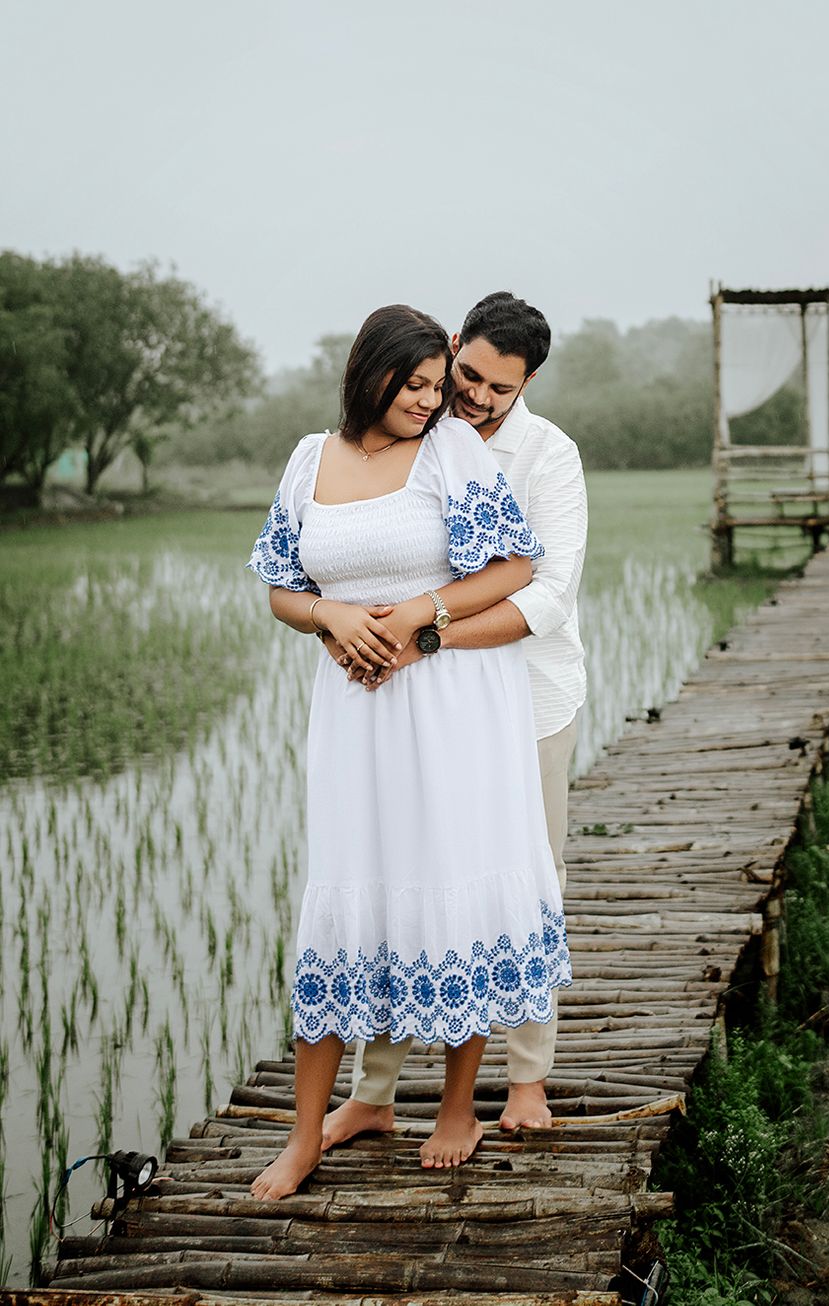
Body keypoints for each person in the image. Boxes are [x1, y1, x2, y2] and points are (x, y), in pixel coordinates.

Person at [246, 303, 570, 1201]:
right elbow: (281, 586)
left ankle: (458, 1108)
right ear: (370, 372)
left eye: (438, 386)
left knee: (458, 878)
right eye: (418, 385)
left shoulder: (451, 452)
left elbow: (516, 568)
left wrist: (423, 615)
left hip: (450, 700)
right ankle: (308, 1134)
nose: (433, 401)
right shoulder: (309, 460)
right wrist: (330, 615)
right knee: (345, 896)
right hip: (354, 712)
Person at [322, 290, 588, 1143]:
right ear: (452, 344)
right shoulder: (417, 432)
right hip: (420, 711)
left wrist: (424, 636)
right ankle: (374, 1090)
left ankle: (527, 1078)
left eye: (498, 388)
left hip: (529, 701)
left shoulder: (548, 455)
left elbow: (546, 594)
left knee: (525, 880)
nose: (473, 396)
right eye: (465, 374)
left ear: (528, 383)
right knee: (406, 881)